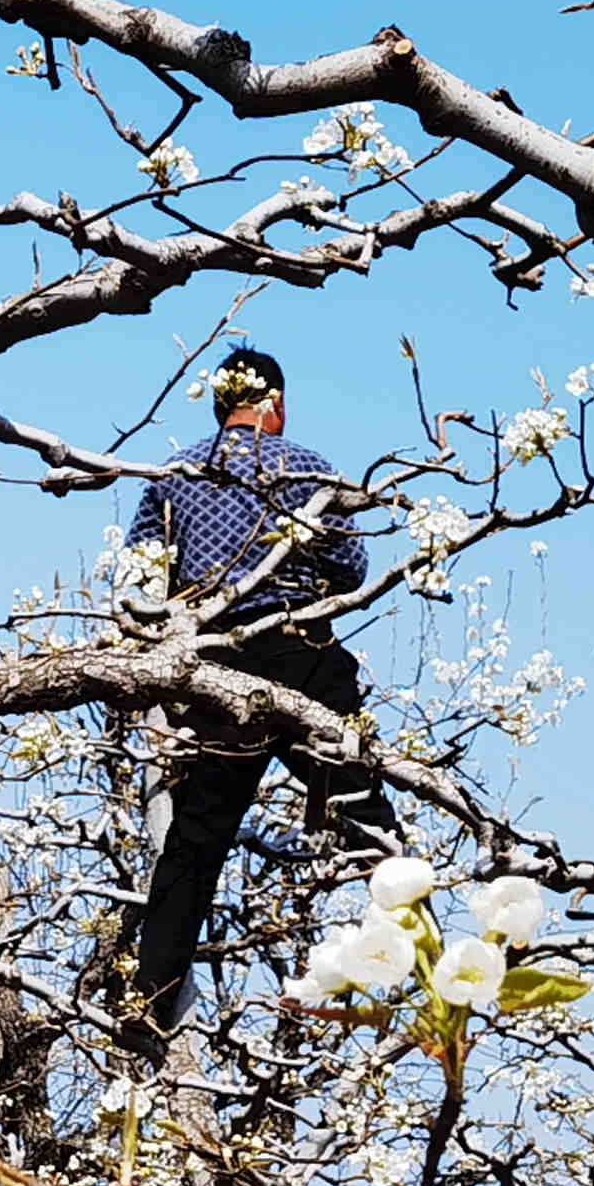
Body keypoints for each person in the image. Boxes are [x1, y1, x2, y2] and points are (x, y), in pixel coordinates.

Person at [103, 345, 399, 1035]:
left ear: (219, 403)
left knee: (196, 841)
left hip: (217, 668)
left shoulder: (174, 475)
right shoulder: (305, 468)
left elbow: (143, 577)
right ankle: (397, 968)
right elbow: (351, 567)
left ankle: (150, 1000)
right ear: (278, 402)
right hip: (296, 651)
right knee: (369, 816)